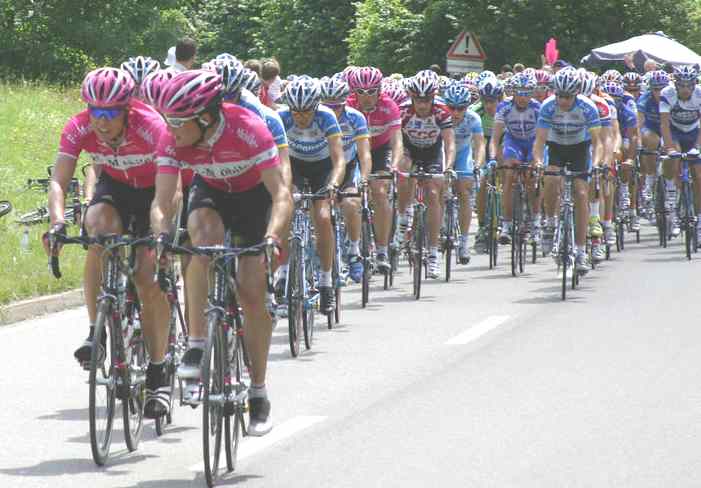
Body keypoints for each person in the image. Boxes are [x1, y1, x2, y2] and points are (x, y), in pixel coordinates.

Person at [151, 69, 292, 436]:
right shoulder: (173, 137)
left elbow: (280, 195)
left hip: (252, 199)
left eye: (179, 121)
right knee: (202, 241)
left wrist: (274, 237)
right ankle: (197, 344)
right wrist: (162, 234)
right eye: (168, 119)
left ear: (206, 117)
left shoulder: (249, 128)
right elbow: (162, 202)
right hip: (211, 193)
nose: (171, 128)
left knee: (251, 292)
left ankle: (258, 391)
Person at [46, 67, 171, 419]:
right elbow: (59, 180)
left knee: (147, 279)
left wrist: (161, 231)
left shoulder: (152, 127)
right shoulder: (79, 126)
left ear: (127, 109)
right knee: (96, 228)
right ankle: (95, 331)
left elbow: (170, 188)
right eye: (94, 111)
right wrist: (57, 222)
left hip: (154, 194)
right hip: (115, 189)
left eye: (109, 113)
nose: (100, 121)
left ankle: (158, 371)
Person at [277, 78, 346, 313]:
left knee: (324, 217)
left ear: (315, 107)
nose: (301, 117)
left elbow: (339, 159)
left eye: (306, 112)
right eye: (296, 112)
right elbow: (275, 157)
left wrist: (334, 184)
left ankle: (326, 282)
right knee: (285, 209)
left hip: (322, 168)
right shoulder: (282, 117)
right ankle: (283, 273)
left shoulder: (327, 117)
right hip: (293, 166)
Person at [533, 68, 603, 273]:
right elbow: (539, 140)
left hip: (580, 148)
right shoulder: (547, 106)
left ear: (576, 94)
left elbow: (597, 143)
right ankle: (550, 222)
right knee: (551, 178)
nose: (562, 101)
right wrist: (538, 161)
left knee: (581, 193)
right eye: (559, 95)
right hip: (556, 146)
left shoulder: (588, 107)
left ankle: (581, 252)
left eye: (567, 97)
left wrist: (597, 164)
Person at [398, 70, 456, 279]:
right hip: (409, 150)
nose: (422, 105)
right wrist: (394, 167)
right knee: (403, 169)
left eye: (427, 100)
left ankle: (432, 253)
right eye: (418, 100)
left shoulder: (442, 112)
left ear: (433, 98)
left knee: (433, 194)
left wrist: (448, 167)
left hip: (433, 153)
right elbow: (396, 143)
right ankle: (404, 215)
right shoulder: (403, 111)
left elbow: (449, 144)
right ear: (412, 97)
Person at [346, 67, 403, 273]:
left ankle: (382, 249)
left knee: (380, 192)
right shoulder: (348, 106)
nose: (366, 97)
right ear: (354, 92)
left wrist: (395, 164)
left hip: (380, 150)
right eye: (360, 92)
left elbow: (397, 141)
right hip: (355, 151)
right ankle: (352, 242)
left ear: (379, 90)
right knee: (351, 196)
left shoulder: (389, 106)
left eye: (371, 91)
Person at [320, 76, 372, 283]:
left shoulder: (355, 118)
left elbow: (365, 154)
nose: (333, 111)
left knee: (352, 203)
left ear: (345, 102)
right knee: (319, 210)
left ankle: (353, 249)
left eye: (337, 106)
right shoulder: (318, 117)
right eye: (327, 106)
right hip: (323, 167)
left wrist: (365, 179)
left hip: (349, 166)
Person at [443, 82, 485, 263]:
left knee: (465, 191)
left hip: (463, 154)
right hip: (441, 152)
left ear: (467, 107)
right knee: (437, 188)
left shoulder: (473, 118)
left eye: (461, 108)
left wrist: (478, 165)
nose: (456, 113)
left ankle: (464, 241)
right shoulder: (440, 117)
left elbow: (480, 145)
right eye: (451, 107)